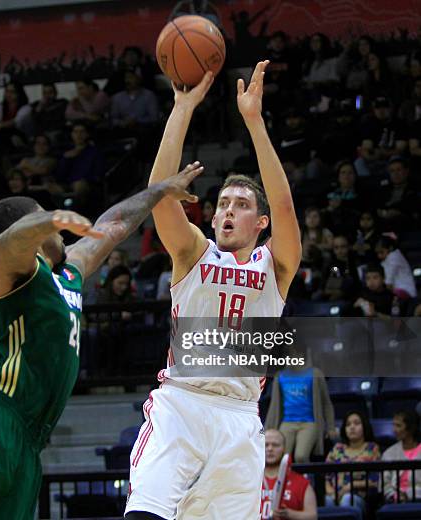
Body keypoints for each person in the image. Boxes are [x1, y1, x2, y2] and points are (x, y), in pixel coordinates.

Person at [0, 164, 204, 520]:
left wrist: (160, 191)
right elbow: (4, 245)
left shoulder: (70, 272)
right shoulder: (12, 273)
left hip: (29, 439)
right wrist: (50, 218)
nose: (62, 234)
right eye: (47, 223)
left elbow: (114, 226)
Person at [125, 61, 302, 520]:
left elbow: (283, 203)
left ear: (260, 223)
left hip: (240, 418)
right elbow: (158, 198)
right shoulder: (194, 253)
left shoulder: (275, 264)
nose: (227, 211)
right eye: (222, 203)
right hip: (181, 405)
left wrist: (255, 123)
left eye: (241, 205)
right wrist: (182, 107)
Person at [266, 367, 337, 463]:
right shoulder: (280, 376)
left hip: (308, 422)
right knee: (281, 457)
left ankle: (303, 478)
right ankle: (283, 478)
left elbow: (326, 403)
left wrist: (331, 427)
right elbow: (274, 406)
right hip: (287, 421)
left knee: (301, 456)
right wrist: (266, 430)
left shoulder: (315, 374)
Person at [324, 411, 381, 519]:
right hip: (334, 495)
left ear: (364, 426)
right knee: (327, 501)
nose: (352, 427)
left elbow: (374, 481)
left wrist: (350, 486)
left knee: (347, 499)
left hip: (359, 497)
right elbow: (325, 477)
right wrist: (332, 492)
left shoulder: (371, 448)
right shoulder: (337, 448)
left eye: (356, 423)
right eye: (348, 424)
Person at [261, 429, 318, 520]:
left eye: (275, 445)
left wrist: (290, 514)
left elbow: (313, 516)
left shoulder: (302, 482)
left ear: (284, 449)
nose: (270, 448)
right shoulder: (248, 480)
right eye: (265, 445)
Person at [382, 410, 421, 503]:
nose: (394, 430)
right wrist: (394, 496)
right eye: (393, 425)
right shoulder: (388, 453)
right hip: (396, 500)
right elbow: (385, 484)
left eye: (398, 426)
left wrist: (409, 494)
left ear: (411, 428)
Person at [375, 235, 417, 301]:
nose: (379, 256)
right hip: (396, 289)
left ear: (390, 248)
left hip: (405, 290)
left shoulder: (394, 257)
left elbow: (389, 281)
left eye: (381, 252)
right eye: (377, 253)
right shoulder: (387, 259)